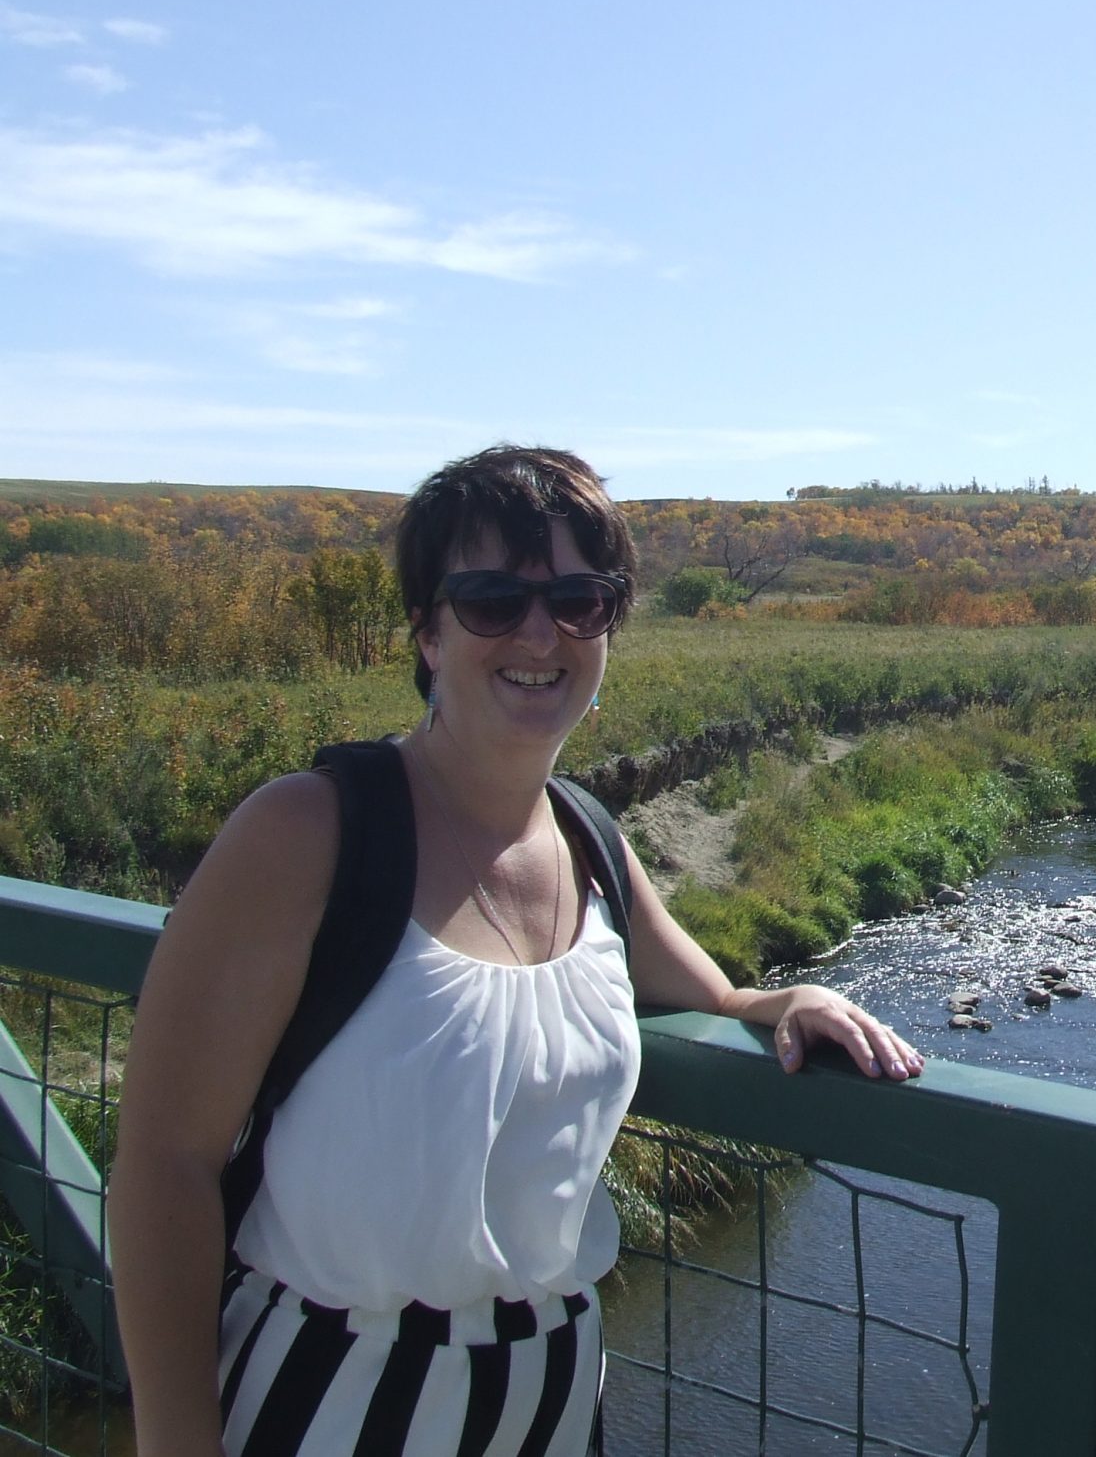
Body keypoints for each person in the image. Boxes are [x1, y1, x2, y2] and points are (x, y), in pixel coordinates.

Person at [108, 445, 924, 1456]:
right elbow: (164, 1164)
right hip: (331, 1402)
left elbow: (711, 996)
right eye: (493, 598)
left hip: (548, 1403)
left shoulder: (589, 841)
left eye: (581, 599)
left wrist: (781, 1002)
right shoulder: (308, 834)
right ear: (427, 628)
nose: (541, 632)